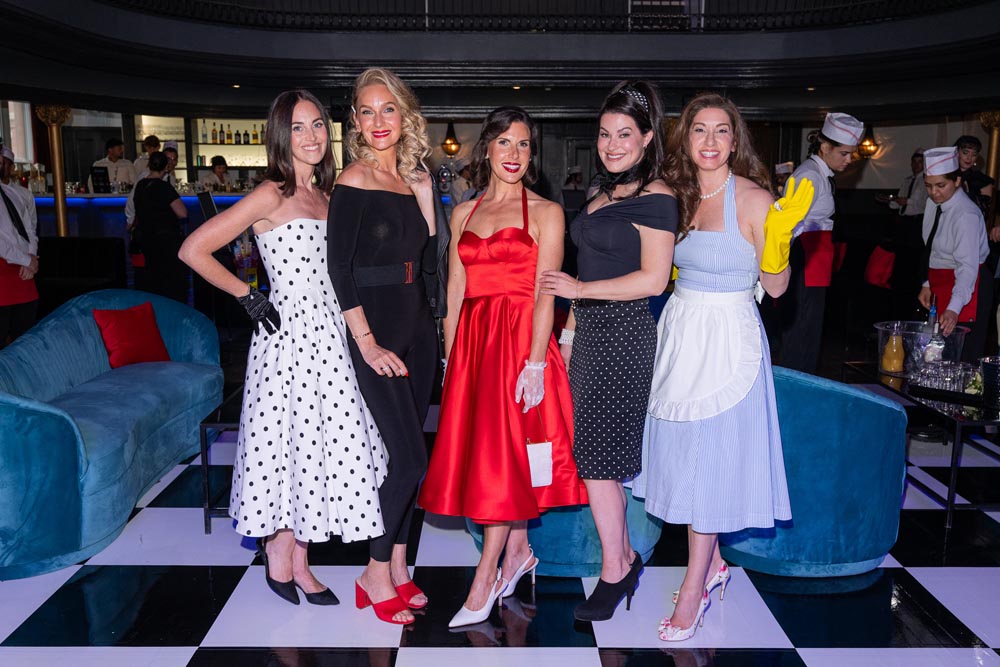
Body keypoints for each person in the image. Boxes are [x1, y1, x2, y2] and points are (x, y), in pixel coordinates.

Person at [179, 89, 385, 607]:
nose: (311, 136)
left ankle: (300, 560)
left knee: (316, 447)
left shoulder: (329, 196)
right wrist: (247, 296)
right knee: (287, 445)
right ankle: (279, 554)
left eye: (317, 125)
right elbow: (193, 249)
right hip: (287, 338)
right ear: (280, 135)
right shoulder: (270, 193)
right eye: (297, 127)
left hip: (332, 338)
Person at [632, 92, 811, 641]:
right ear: (685, 138)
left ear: (735, 141)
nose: (710, 141)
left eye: (721, 131)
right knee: (684, 457)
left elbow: (776, 290)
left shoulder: (755, 199)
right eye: (699, 130)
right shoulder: (676, 194)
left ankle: (693, 588)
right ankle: (712, 565)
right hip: (681, 333)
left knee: (709, 464)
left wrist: (777, 244)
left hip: (730, 338)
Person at [418, 106, 588, 628]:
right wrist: (450, 358)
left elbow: (545, 290)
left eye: (524, 145)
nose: (515, 154)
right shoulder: (463, 213)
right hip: (474, 348)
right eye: (506, 143)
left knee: (505, 460)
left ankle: (485, 577)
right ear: (487, 147)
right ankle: (518, 554)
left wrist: (535, 362)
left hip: (519, 344)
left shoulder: (546, 212)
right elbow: (455, 289)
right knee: (498, 457)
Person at [539, 80, 678, 622]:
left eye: (624, 134)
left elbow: (653, 279)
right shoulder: (602, 192)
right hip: (591, 333)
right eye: (603, 134)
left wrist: (578, 290)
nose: (612, 144)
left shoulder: (658, 196)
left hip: (625, 335)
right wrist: (569, 333)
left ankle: (616, 567)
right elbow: (591, 267)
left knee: (599, 461)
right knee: (595, 458)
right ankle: (623, 560)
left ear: (647, 138)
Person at [327, 67, 438, 625]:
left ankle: (397, 564)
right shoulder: (354, 179)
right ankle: (372, 573)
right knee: (411, 457)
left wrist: (428, 197)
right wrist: (366, 343)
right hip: (378, 334)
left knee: (408, 458)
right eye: (367, 111)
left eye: (387, 109)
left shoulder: (412, 179)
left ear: (404, 115)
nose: (378, 121)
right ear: (355, 120)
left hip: (418, 329)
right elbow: (339, 269)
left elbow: (429, 258)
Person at [770, 112, 863, 374]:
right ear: (824, 146)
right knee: (801, 329)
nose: (849, 160)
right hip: (806, 256)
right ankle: (795, 383)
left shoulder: (820, 175)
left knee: (810, 328)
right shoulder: (809, 176)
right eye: (844, 153)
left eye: (851, 154)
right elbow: (788, 225)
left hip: (816, 257)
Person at [919, 146, 991, 362]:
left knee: (960, 359)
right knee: (935, 356)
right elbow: (931, 246)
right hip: (940, 282)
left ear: (957, 181)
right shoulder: (933, 203)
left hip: (968, 285)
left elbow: (967, 267)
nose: (934, 192)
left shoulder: (965, 214)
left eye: (941, 185)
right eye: (928, 186)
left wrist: (954, 308)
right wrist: (927, 283)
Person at [133, 151, 189, 303]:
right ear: (166, 167)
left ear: (149, 165)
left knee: (154, 280)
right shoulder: (164, 187)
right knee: (172, 282)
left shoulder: (140, 185)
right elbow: (182, 213)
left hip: (147, 239)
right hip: (167, 240)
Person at [877, 148, 927, 318]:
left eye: (920, 162)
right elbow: (898, 203)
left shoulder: (926, 181)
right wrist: (890, 200)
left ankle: (912, 299)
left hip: (917, 224)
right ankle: (899, 298)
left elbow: (917, 203)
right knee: (901, 263)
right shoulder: (908, 181)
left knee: (913, 262)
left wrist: (903, 201)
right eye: (914, 162)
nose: (916, 165)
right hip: (904, 225)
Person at [0, 145, 39, 348]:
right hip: (4, 269)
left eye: (3, 162)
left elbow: (30, 228)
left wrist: (31, 256)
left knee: (25, 338)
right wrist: (26, 260)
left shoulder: (22, 194)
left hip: (24, 271)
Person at [954, 135, 994, 218]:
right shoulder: (947, 175)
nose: (969, 158)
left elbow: (984, 213)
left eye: (974, 154)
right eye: (965, 153)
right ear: (957, 152)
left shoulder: (983, 181)